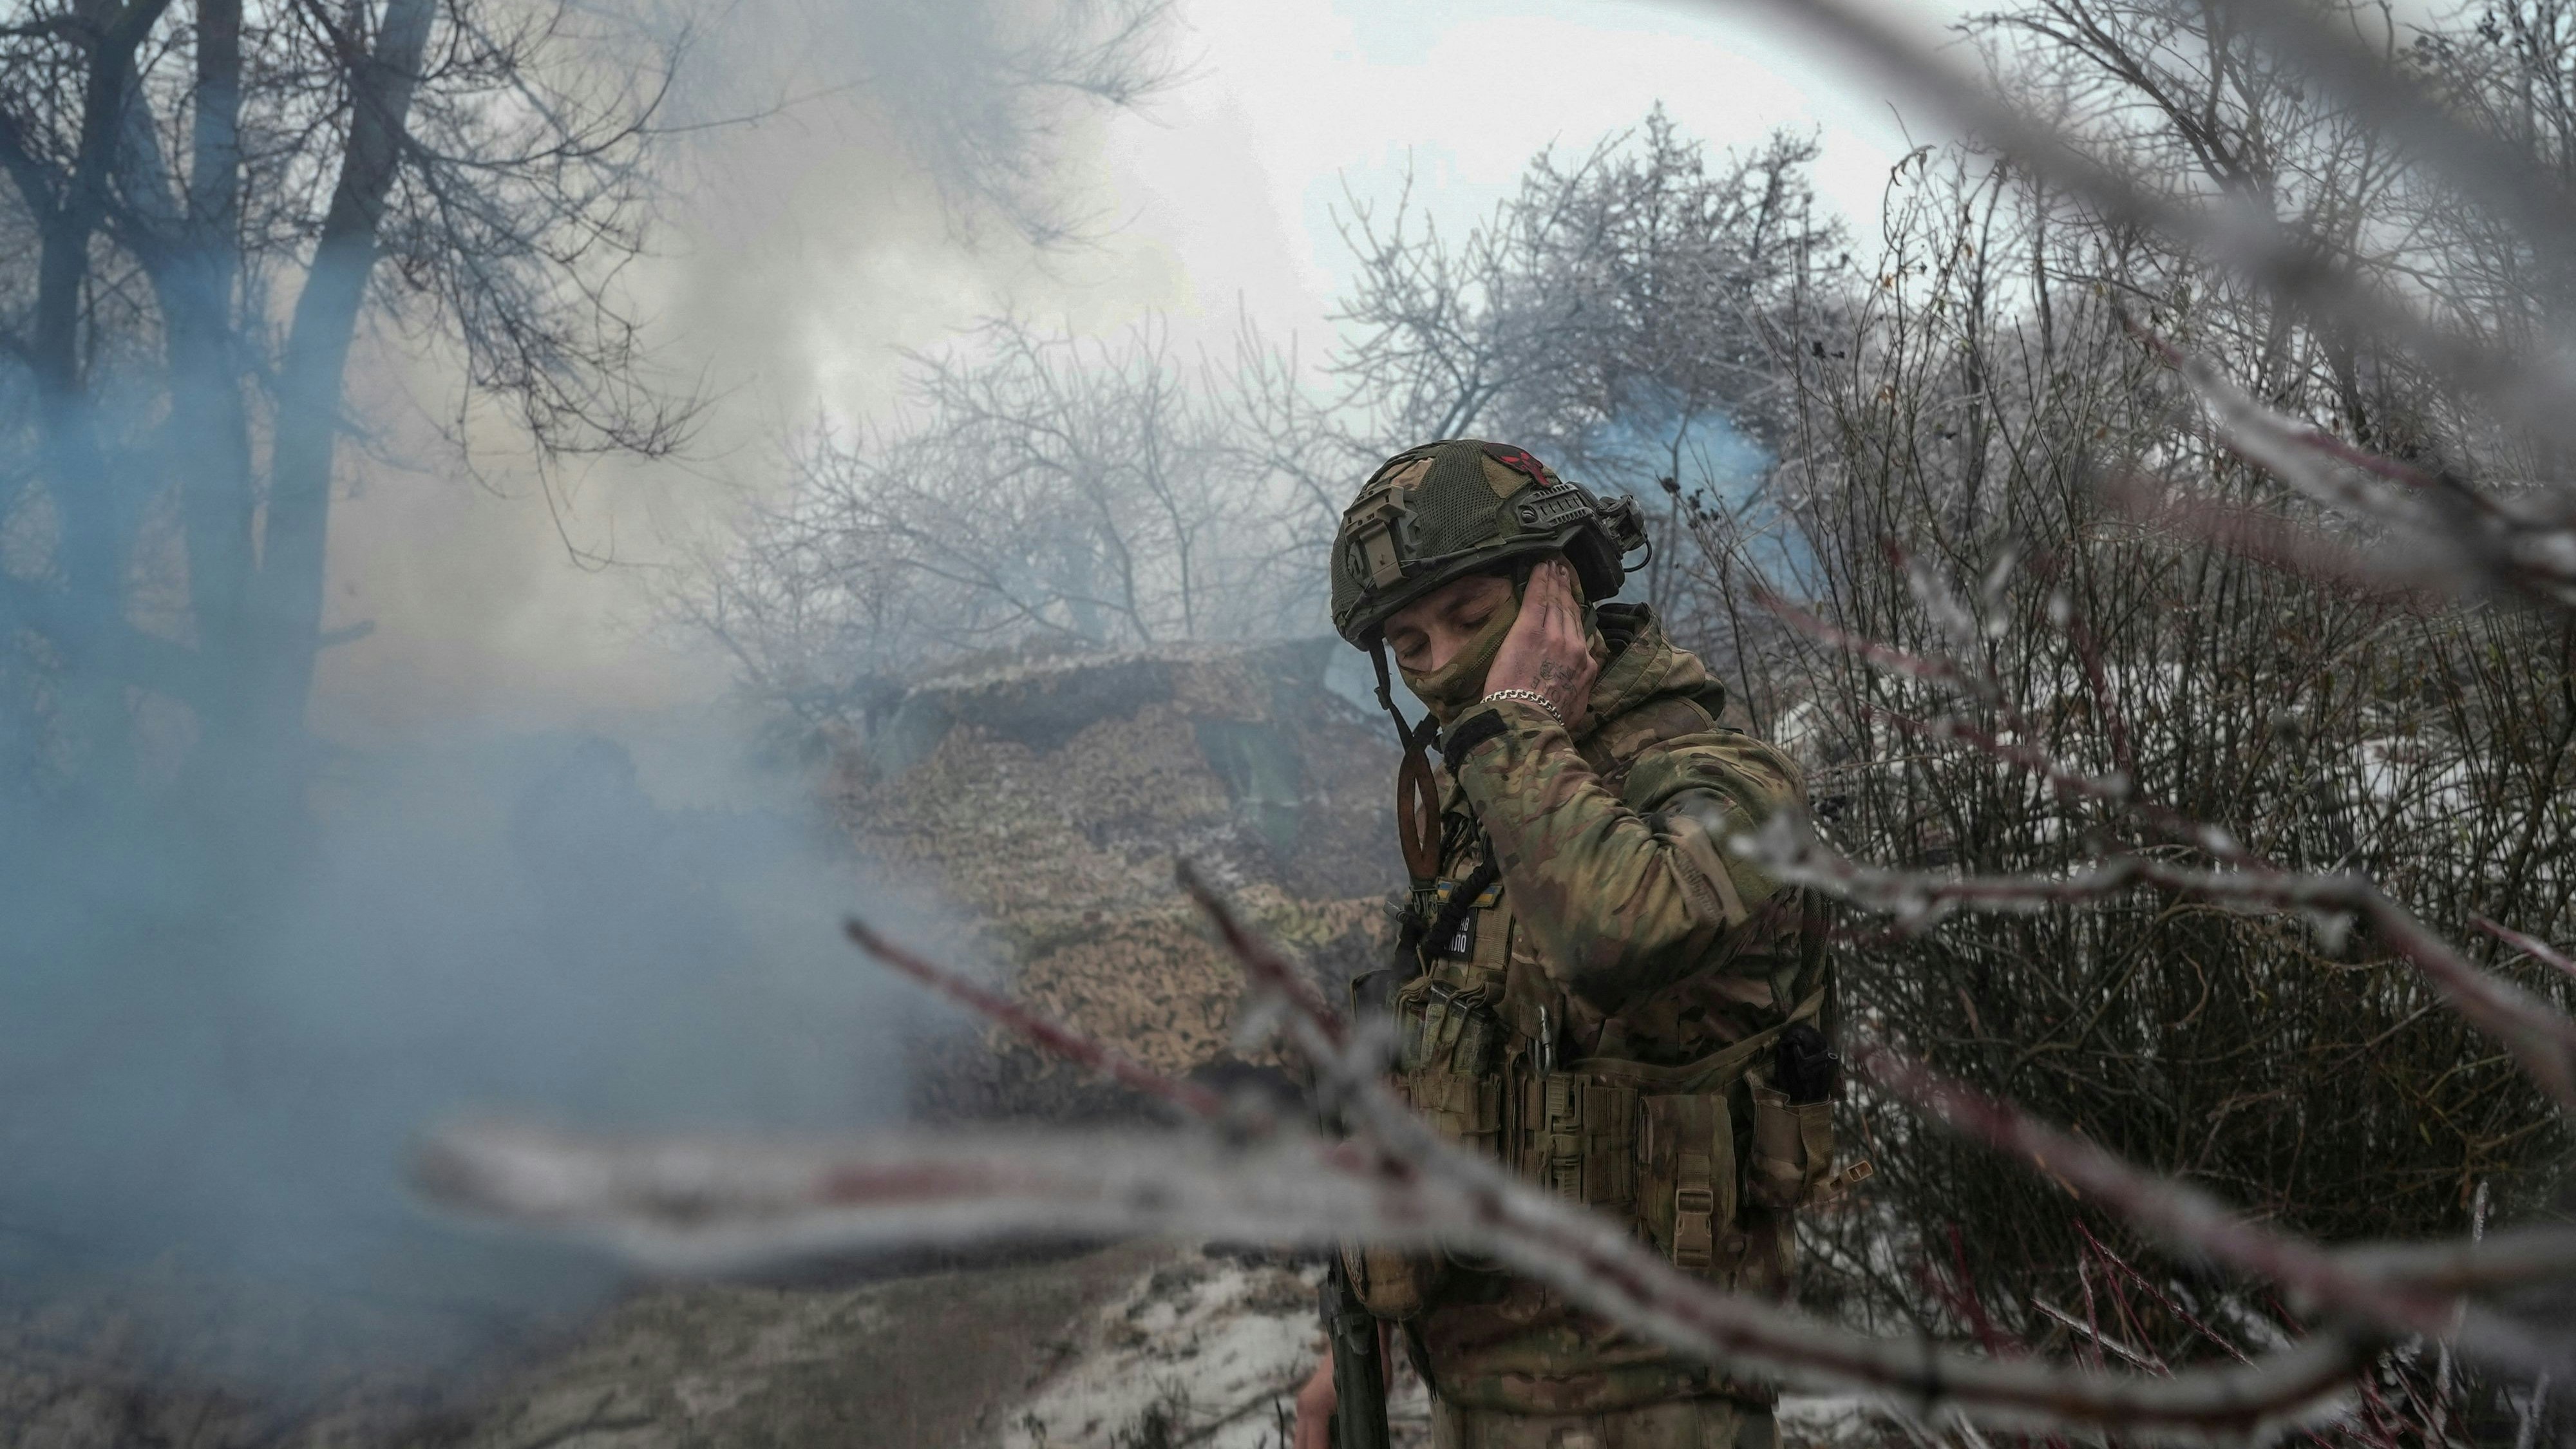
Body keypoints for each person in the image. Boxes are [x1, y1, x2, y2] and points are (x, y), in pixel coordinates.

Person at [1293, 439, 1858, 1449]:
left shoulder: (1718, 777)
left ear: (1561, 593)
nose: (1440, 664)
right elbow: (1447, 1069)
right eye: (1409, 644)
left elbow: (1619, 931)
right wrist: (1362, 1331)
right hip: (1481, 1395)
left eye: (1471, 616)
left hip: (1661, 1406)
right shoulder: (1493, 800)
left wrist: (1515, 725)